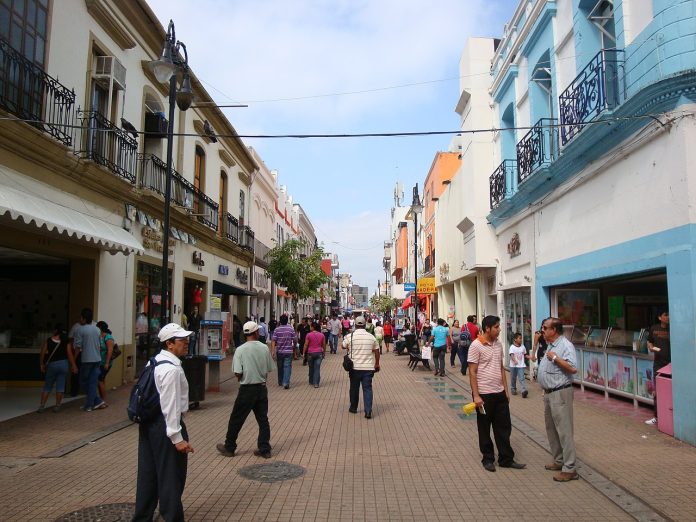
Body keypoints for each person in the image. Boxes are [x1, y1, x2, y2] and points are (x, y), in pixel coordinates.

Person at [133, 323, 194, 522]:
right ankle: (172, 517)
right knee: (171, 478)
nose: (186, 343)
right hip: (167, 426)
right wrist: (177, 438)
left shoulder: (154, 362)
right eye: (182, 340)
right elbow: (171, 405)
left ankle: (142, 517)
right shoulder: (172, 370)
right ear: (169, 343)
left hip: (149, 425)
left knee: (148, 475)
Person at [467, 315, 526, 472]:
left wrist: (506, 390)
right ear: (488, 328)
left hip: (499, 393)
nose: (499, 330)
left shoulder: (499, 344)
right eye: (497, 327)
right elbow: (472, 372)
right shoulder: (476, 345)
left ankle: (506, 458)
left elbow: (501, 367)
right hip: (484, 395)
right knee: (484, 428)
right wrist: (476, 395)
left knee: (504, 427)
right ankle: (488, 458)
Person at [217, 321, 276, 459]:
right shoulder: (264, 348)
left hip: (246, 389)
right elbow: (268, 368)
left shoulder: (240, 350)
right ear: (256, 333)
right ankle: (264, 448)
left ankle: (229, 447)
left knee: (236, 419)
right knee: (263, 420)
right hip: (261, 387)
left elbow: (237, 372)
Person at [537, 317, 578, 482]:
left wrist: (555, 358)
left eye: (545, 328)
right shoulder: (550, 345)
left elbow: (573, 368)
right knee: (552, 429)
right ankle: (559, 460)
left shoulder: (565, 345)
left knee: (564, 430)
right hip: (549, 393)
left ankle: (570, 468)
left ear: (554, 330)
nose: (543, 330)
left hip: (560, 393)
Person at [69, 308, 106, 412]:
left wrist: (74, 360)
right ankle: (91, 404)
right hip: (97, 359)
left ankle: (95, 402)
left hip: (86, 359)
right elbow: (99, 345)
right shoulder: (97, 329)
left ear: (84, 319)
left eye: (81, 317)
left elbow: (78, 346)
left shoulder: (80, 330)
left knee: (83, 381)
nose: (80, 319)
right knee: (93, 382)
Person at [343, 316, 380, 418]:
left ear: (355, 324)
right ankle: (368, 411)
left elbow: (343, 345)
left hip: (354, 368)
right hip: (368, 368)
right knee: (367, 389)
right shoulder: (371, 337)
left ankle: (353, 408)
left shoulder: (350, 336)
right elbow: (377, 351)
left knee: (354, 388)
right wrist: (377, 363)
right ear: (365, 325)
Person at [37, 324, 74, 413]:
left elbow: (42, 353)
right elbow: (69, 354)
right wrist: (73, 365)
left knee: (47, 386)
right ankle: (57, 406)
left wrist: (41, 364)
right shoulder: (66, 341)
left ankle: (42, 406)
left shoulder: (48, 340)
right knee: (60, 386)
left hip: (52, 365)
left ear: (56, 330)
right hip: (63, 365)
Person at [645, 310, 670, 426]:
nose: (668, 317)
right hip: (658, 364)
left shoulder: (673, 328)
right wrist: (651, 347)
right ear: (660, 317)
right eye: (666, 315)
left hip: (671, 365)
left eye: (669, 315)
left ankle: (669, 416)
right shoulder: (654, 328)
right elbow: (649, 342)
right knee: (658, 390)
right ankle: (657, 416)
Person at [271, 314, 296, 389]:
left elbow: (273, 341)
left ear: (280, 321)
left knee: (280, 367)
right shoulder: (291, 329)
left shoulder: (276, 329)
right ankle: (286, 382)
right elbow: (295, 339)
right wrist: (294, 347)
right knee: (287, 367)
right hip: (288, 351)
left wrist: (272, 351)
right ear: (287, 320)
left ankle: (280, 381)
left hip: (280, 351)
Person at [96, 321, 115, 406]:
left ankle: (104, 400)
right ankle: (102, 398)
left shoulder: (108, 337)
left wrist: (107, 363)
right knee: (101, 380)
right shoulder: (99, 336)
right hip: (99, 362)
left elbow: (110, 350)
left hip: (105, 363)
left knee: (100, 380)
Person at [303, 321, 326, 388]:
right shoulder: (322, 335)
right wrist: (324, 353)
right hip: (319, 353)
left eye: (310, 326)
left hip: (310, 353)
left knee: (311, 367)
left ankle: (311, 381)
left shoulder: (308, 335)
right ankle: (316, 383)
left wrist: (304, 352)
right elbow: (324, 345)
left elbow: (306, 344)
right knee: (317, 368)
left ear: (313, 327)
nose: (310, 327)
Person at [509, 332, 528, 398]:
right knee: (513, 378)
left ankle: (523, 391)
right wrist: (514, 360)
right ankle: (513, 389)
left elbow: (525, 355)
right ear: (515, 339)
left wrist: (531, 357)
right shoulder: (512, 347)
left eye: (521, 338)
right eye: (519, 338)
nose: (521, 339)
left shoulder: (523, 346)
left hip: (521, 365)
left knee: (522, 378)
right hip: (513, 366)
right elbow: (511, 355)